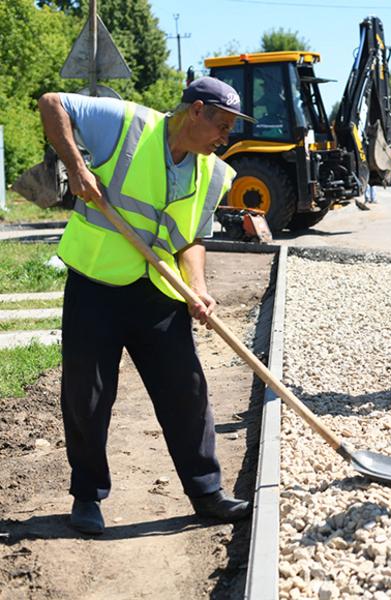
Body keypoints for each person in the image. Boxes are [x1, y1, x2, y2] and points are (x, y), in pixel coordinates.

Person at [37, 77, 258, 535]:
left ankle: (207, 493)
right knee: (87, 393)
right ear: (196, 110)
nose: (225, 137)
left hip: (158, 291)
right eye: (221, 125)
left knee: (186, 390)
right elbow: (52, 102)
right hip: (96, 282)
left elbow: (192, 239)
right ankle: (87, 496)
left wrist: (197, 287)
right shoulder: (126, 125)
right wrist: (76, 167)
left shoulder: (213, 173)